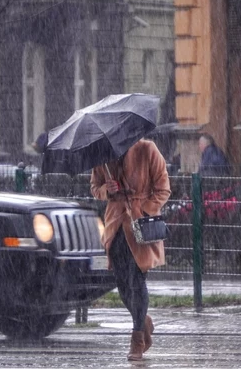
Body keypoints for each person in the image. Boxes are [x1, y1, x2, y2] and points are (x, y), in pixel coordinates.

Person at [90, 139, 171, 361]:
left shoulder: (147, 149)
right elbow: (95, 188)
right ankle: (143, 320)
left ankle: (137, 339)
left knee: (137, 281)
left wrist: (143, 209)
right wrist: (107, 189)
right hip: (115, 227)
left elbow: (163, 188)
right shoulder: (102, 155)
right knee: (123, 285)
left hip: (140, 228)